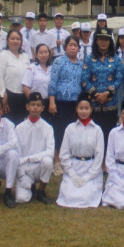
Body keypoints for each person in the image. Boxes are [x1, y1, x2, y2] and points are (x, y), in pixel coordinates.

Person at [57, 96, 105, 208]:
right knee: (69, 195)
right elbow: (64, 154)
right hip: (74, 167)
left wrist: (88, 176)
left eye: (86, 108)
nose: (83, 111)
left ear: (91, 110)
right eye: (81, 108)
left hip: (91, 168)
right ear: (76, 109)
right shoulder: (70, 128)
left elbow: (99, 155)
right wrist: (72, 175)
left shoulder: (97, 130)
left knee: (87, 196)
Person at [82, 27, 123, 149]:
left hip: (111, 103)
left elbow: (119, 78)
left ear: (110, 42)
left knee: (109, 134)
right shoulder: (90, 58)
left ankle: (107, 161)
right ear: (96, 41)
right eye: (101, 39)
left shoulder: (116, 59)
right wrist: (96, 94)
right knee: (93, 135)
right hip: (94, 103)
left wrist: (108, 93)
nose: (104, 42)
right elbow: (84, 79)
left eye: (106, 39)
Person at [48, 36, 83, 174]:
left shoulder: (81, 64)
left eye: (75, 45)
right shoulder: (59, 61)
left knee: (72, 133)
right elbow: (53, 81)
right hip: (61, 102)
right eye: (70, 45)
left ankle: (68, 160)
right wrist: (52, 101)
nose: (73, 47)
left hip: (75, 104)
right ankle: (56, 161)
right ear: (65, 46)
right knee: (59, 131)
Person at [14, 92, 54, 204]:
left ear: (42, 108)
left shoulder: (48, 127)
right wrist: (21, 174)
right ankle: (30, 187)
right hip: (24, 168)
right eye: (32, 104)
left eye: (38, 105)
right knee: (21, 199)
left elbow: (50, 151)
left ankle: (41, 190)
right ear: (27, 107)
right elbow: (17, 154)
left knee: (48, 161)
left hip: (39, 166)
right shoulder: (19, 128)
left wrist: (31, 158)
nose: (35, 107)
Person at [0, 30, 30, 125]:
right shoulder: (3, 55)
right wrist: (3, 94)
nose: (15, 41)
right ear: (7, 41)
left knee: (21, 123)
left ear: (21, 42)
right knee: (8, 124)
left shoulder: (25, 56)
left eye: (18, 39)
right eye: (12, 38)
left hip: (23, 96)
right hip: (9, 96)